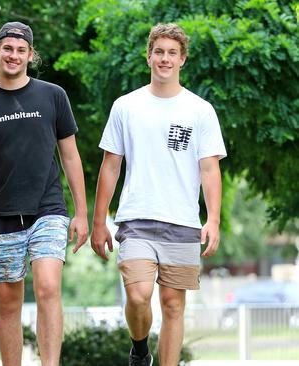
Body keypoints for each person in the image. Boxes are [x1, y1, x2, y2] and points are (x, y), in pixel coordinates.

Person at [0, 21, 88, 366]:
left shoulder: (53, 96)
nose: (13, 55)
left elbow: (70, 157)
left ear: (31, 55)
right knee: (9, 305)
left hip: (48, 210)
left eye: (21, 50)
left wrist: (82, 213)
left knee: (47, 288)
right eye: (7, 48)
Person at [90, 23, 226, 366]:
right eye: (159, 52)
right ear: (149, 56)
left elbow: (209, 169)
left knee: (172, 304)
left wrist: (213, 219)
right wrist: (98, 221)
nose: (164, 59)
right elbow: (110, 166)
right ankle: (139, 349)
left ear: (182, 60)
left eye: (172, 53)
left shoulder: (200, 110)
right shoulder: (126, 106)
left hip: (182, 221)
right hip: (136, 218)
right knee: (138, 296)